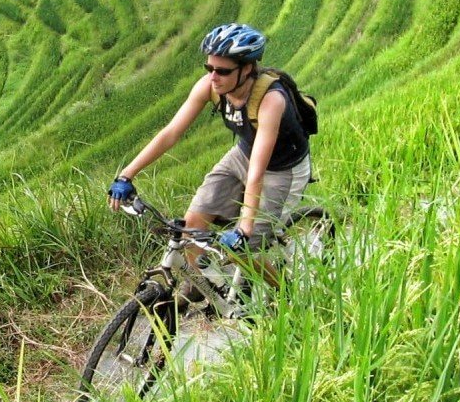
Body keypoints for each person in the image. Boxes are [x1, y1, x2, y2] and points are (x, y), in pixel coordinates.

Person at [107, 23, 312, 288]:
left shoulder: (271, 100)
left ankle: (288, 295)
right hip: (243, 155)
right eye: (209, 68)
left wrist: (244, 228)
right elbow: (171, 133)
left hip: (282, 170)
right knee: (192, 226)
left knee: (244, 249)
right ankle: (212, 288)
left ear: (247, 68)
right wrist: (127, 174)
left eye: (223, 71)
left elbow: (257, 173)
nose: (213, 76)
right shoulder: (210, 86)